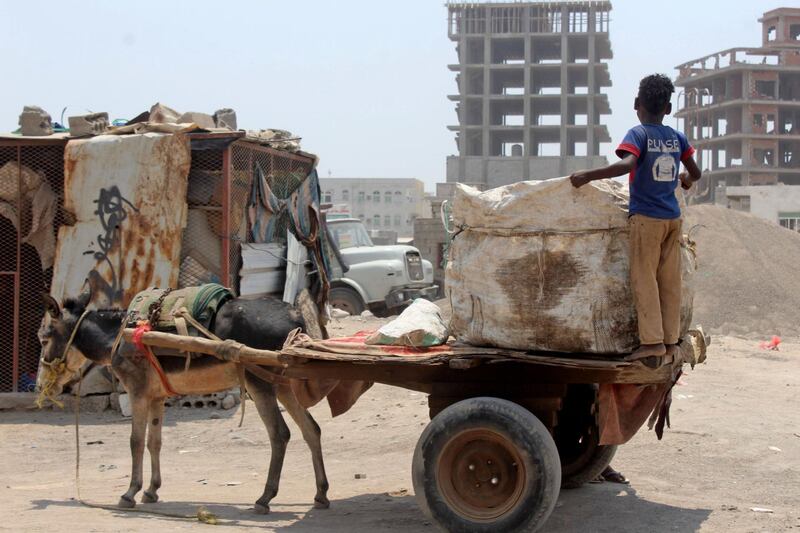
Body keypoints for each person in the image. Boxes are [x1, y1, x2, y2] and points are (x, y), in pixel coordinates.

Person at [569, 73, 702, 359]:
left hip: (646, 218)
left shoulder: (639, 135)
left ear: (636, 104)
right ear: (668, 108)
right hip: (672, 219)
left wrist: (588, 176)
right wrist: (687, 180)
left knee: (644, 278)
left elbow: (627, 164)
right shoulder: (677, 138)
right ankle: (669, 343)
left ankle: (651, 344)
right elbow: (697, 172)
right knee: (669, 281)